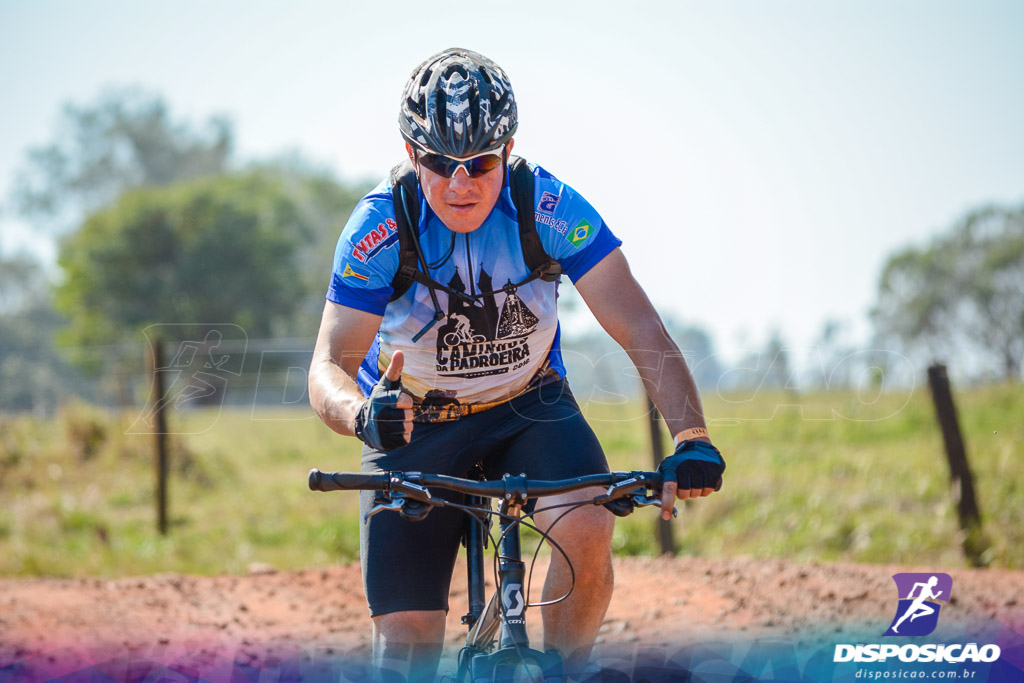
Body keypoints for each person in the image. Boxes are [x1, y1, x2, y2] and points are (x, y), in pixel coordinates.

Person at [308, 47, 726, 680]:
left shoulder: (549, 206)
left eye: (480, 163)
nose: (460, 184)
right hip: (411, 421)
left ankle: (564, 671)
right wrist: (364, 415)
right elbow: (326, 370)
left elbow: (639, 325)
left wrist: (692, 438)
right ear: (407, 149)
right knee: (405, 648)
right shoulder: (380, 225)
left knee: (586, 523)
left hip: (529, 405)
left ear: (509, 149)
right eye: (438, 163)